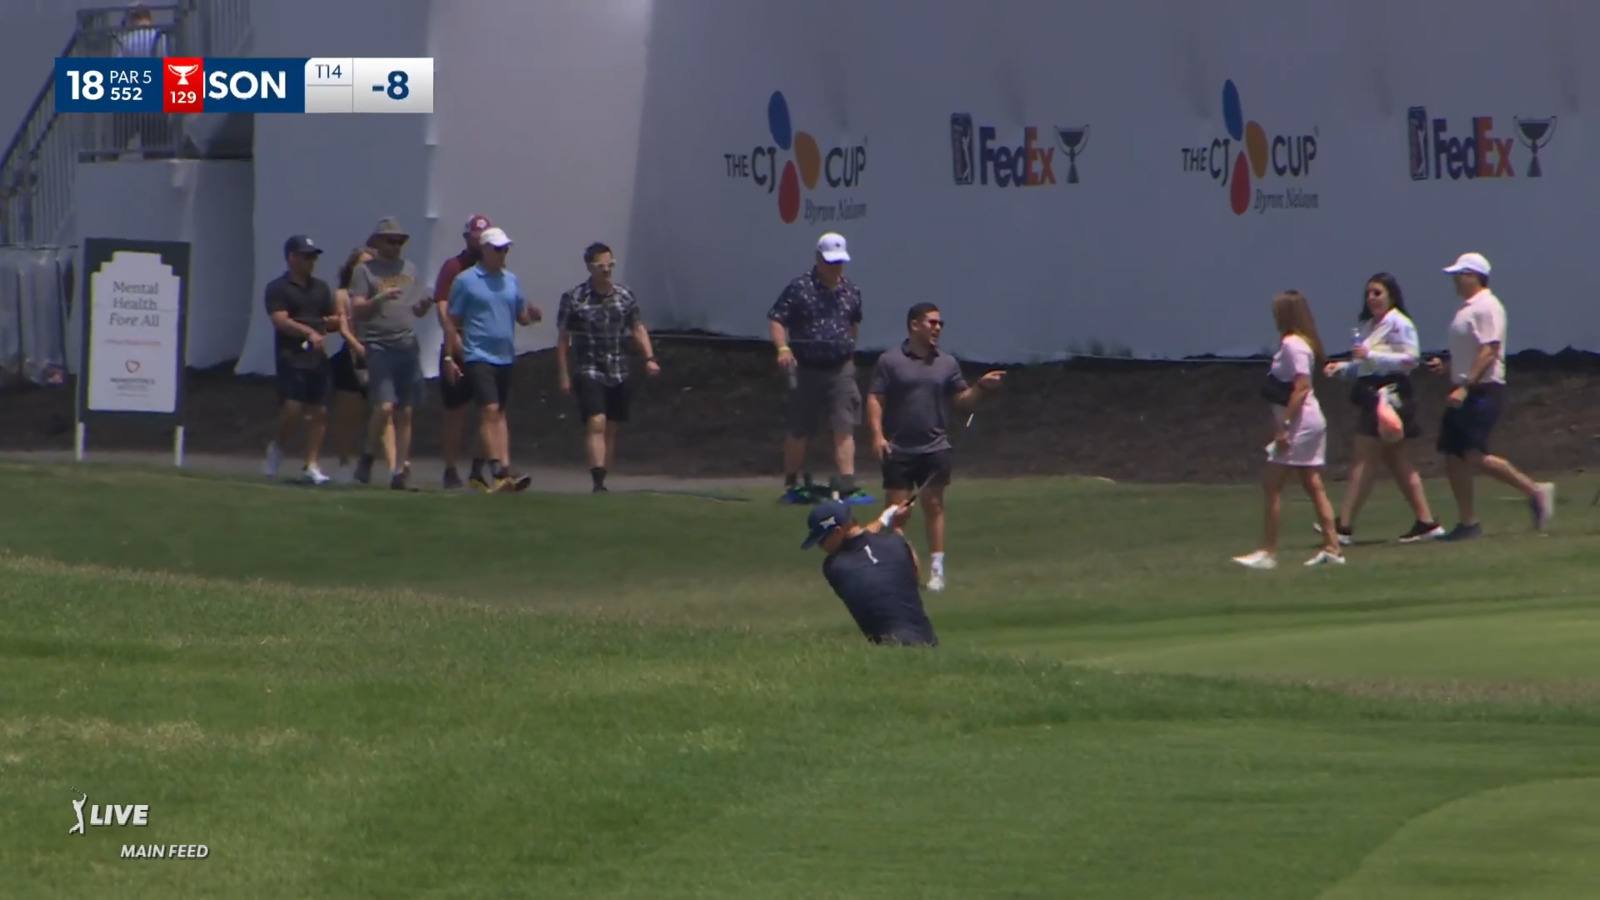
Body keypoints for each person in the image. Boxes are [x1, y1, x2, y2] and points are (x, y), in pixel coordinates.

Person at [867, 302, 1003, 592]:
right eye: (931, 322)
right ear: (914, 325)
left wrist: (980, 388)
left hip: (935, 446)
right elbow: (875, 398)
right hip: (898, 447)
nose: (937, 328)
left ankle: (937, 571)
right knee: (897, 512)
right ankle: (902, 569)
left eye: (940, 324)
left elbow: (961, 401)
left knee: (934, 505)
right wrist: (877, 435)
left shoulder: (946, 363)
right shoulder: (890, 361)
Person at [1424, 252, 1555, 539]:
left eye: (1460, 274)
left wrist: (1466, 385)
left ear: (1474, 276)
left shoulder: (1487, 307)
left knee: (1473, 454)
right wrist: (1447, 366)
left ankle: (1535, 491)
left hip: (1482, 390)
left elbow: (1489, 349)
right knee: (1453, 454)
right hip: (1465, 386)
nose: (1456, 280)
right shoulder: (1467, 308)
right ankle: (1468, 522)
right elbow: (1471, 349)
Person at [1319, 273, 1444, 543]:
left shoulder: (1400, 323)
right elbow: (1363, 366)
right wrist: (1341, 368)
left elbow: (1410, 360)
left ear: (1391, 295)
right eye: (1369, 294)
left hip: (1390, 394)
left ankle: (1344, 526)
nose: (1372, 298)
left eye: (1377, 293)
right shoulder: (1367, 327)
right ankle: (1426, 522)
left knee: (1364, 456)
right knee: (1397, 460)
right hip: (1370, 392)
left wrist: (1372, 355)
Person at [1234, 291, 1345, 569]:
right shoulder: (1298, 344)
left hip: (1301, 423)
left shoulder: (1295, 345)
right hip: (1305, 421)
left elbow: (1302, 386)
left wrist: (1284, 425)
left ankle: (1268, 552)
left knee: (1272, 483)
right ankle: (1332, 547)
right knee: (1312, 484)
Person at [768, 232, 871, 505]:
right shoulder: (800, 287)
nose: (835, 267)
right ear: (818, 258)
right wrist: (783, 348)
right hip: (807, 367)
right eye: (830, 261)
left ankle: (847, 484)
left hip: (841, 367)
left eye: (839, 261)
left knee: (844, 424)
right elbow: (777, 319)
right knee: (800, 427)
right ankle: (792, 484)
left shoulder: (852, 290)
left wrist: (850, 349)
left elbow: (853, 323)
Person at [556, 242, 661, 493]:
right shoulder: (574, 298)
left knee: (611, 426)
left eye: (610, 265)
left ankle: (604, 475)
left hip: (618, 367)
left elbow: (637, 327)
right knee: (597, 421)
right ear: (590, 267)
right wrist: (563, 372)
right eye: (601, 266)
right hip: (589, 367)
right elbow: (563, 338)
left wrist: (649, 357)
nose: (607, 270)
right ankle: (597, 480)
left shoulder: (624, 296)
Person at [448, 226, 541, 492]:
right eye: (498, 249)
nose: (503, 254)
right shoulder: (467, 280)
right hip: (477, 354)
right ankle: (500, 469)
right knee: (489, 410)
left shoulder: (511, 280)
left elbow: (521, 317)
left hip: (504, 356)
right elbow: (452, 320)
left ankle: (479, 469)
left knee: (497, 413)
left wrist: (532, 315)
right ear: (485, 250)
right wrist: (451, 354)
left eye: (506, 249)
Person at [349, 217, 429, 490]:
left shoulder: (411, 269)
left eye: (399, 241)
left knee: (405, 411)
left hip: (406, 343)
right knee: (384, 406)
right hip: (379, 343)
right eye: (390, 241)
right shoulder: (364, 271)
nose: (395, 246)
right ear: (378, 242)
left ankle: (398, 470)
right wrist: (379, 298)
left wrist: (426, 303)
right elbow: (357, 310)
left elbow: (416, 310)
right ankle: (368, 455)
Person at [801, 498, 938, 647]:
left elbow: (859, 541)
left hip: (890, 648)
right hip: (930, 643)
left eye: (822, 540)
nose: (821, 546)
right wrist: (896, 525)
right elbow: (915, 575)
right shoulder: (897, 543)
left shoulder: (834, 567)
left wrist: (884, 520)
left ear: (838, 531)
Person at [262, 234, 337, 485]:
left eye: (313, 257)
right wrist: (308, 332)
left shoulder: (321, 288)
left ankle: (311, 464)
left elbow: (330, 318)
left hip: (317, 358)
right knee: (292, 408)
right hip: (291, 356)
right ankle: (278, 449)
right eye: (306, 256)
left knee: (320, 411)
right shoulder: (278, 288)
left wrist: (334, 323)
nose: (311, 261)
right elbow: (280, 320)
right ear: (291, 258)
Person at [427, 214, 493, 489]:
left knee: (490, 409)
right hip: (459, 342)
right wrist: (453, 343)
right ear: (467, 239)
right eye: (476, 239)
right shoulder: (454, 267)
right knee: (455, 411)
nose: (480, 244)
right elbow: (442, 306)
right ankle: (451, 468)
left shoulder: (494, 268)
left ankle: (478, 467)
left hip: (487, 346)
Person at [328, 245, 393, 469]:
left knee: (386, 409)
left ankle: (395, 467)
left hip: (379, 353)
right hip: (353, 356)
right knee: (350, 415)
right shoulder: (343, 295)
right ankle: (344, 461)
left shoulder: (379, 293)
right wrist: (357, 346)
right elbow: (344, 327)